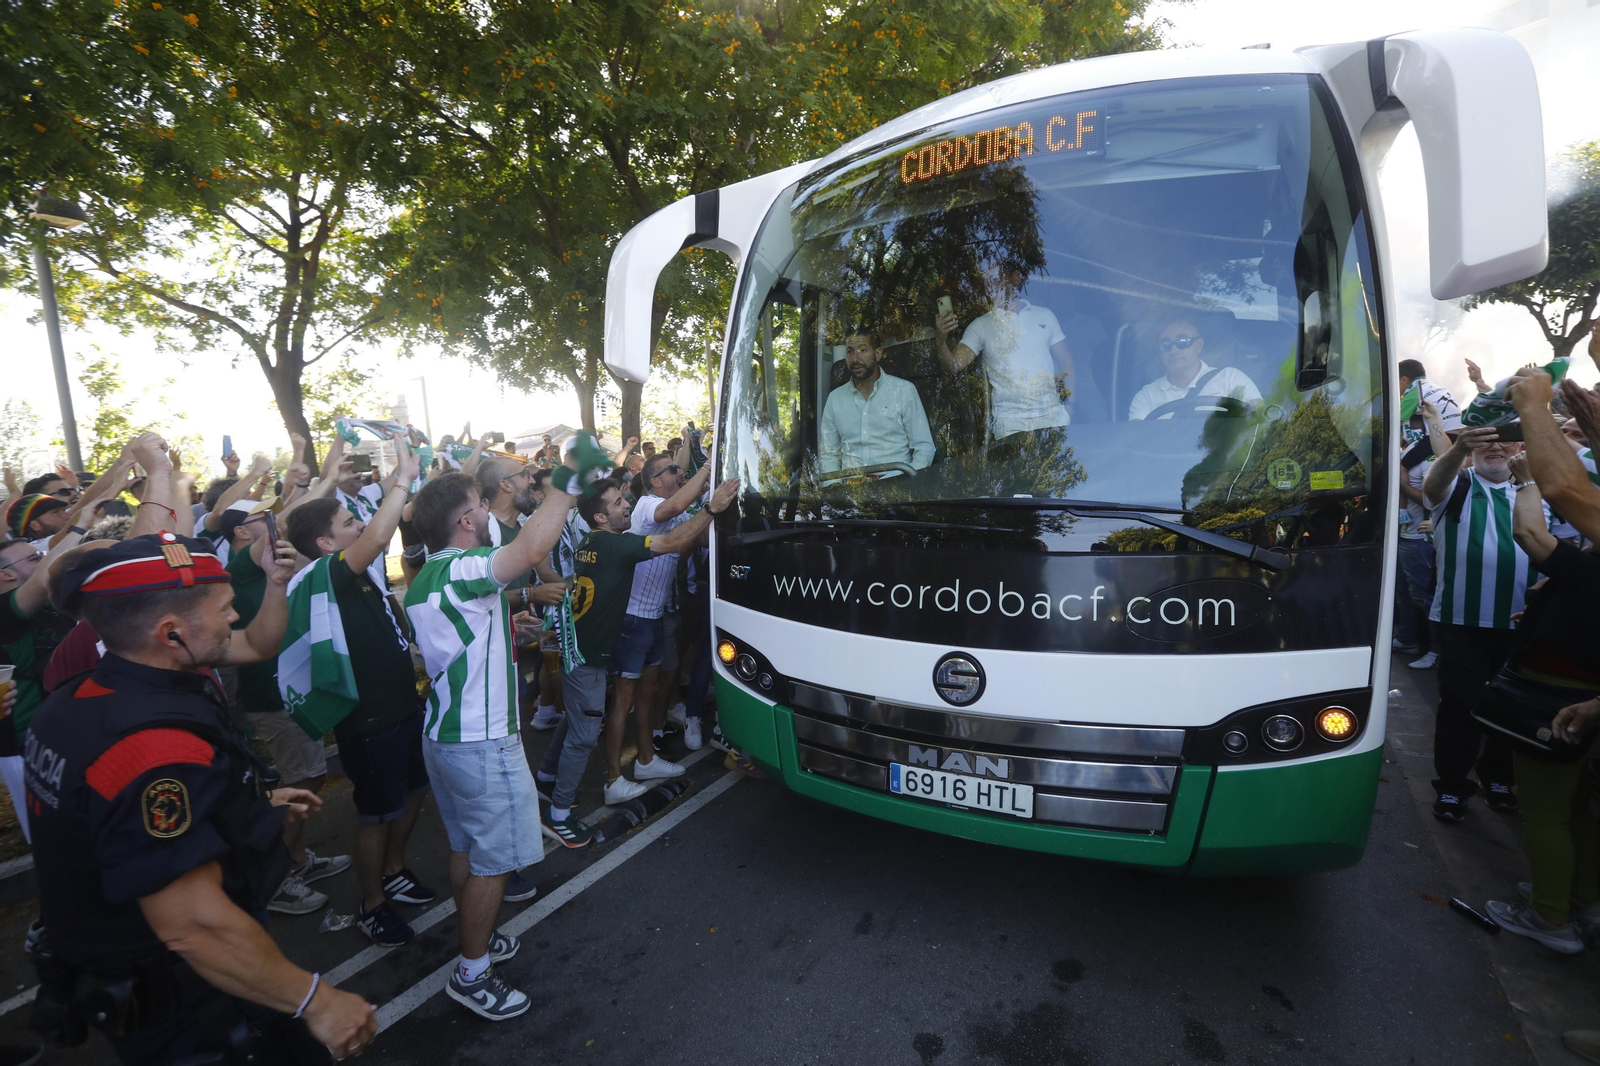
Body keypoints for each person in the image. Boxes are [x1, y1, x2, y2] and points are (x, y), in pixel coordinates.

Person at [25, 532, 378, 1064]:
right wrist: (317, 1000)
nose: (234, 620)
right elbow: (193, 924)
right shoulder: (152, 751)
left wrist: (242, 801)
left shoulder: (77, 700)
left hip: (139, 978)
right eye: (225, 610)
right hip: (189, 1001)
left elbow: (109, 824)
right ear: (171, 633)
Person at [402, 463, 581, 1021]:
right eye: (479, 506)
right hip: (481, 743)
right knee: (493, 862)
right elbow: (530, 550)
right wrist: (570, 483)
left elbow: (466, 625)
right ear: (464, 520)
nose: (486, 513)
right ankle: (471, 971)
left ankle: (477, 941)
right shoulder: (466, 566)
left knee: (466, 848)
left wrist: (511, 628)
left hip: (445, 736)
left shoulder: (430, 575)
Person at [284, 442, 439, 948]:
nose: (360, 526)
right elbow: (377, 536)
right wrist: (402, 480)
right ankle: (372, 902)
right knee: (376, 814)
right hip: (367, 721)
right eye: (347, 522)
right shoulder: (320, 575)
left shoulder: (355, 575)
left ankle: (394, 869)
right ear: (326, 544)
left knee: (415, 791)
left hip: (400, 706)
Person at [534, 475, 739, 846]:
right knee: (584, 736)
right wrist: (712, 508)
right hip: (588, 656)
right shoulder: (616, 546)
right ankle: (559, 814)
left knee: (575, 720)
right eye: (617, 503)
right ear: (600, 518)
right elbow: (674, 542)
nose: (627, 504)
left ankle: (547, 781)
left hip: (578, 648)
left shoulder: (592, 542)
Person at [224, 496, 350, 915]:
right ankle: (275, 876)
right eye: (263, 519)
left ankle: (295, 859)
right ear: (242, 532)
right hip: (269, 699)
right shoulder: (241, 566)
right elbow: (287, 527)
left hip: (286, 692)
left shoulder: (273, 565)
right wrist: (313, 484)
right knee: (305, 778)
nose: (274, 526)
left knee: (306, 776)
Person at [1419, 411, 1531, 822]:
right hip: (1461, 620)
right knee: (1460, 706)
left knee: (1511, 709)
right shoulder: (1460, 485)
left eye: (1506, 440)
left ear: (1522, 445)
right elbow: (1432, 486)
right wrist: (1458, 449)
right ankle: (1452, 786)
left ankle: (1498, 777)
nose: (1496, 447)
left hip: (1522, 625)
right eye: (1485, 440)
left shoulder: (1537, 491)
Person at [616, 451, 713, 764]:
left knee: (654, 686)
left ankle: (650, 750)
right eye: (673, 469)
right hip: (633, 617)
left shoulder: (680, 515)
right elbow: (675, 505)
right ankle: (616, 772)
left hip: (657, 615)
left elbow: (702, 541)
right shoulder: (646, 504)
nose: (680, 472)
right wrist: (709, 468)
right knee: (628, 696)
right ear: (655, 481)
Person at [933, 262, 1077, 446]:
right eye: (986, 281)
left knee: (1059, 472)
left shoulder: (1045, 315)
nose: (990, 285)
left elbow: (1067, 361)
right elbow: (952, 366)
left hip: (1054, 417)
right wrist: (940, 339)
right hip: (1010, 424)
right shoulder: (981, 326)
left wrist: (1069, 407)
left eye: (994, 278)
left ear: (1014, 277)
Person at [819, 330, 935, 474]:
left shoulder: (903, 390)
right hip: (851, 489)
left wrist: (909, 483)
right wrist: (834, 487)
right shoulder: (835, 398)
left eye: (863, 350)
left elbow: (924, 447)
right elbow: (828, 455)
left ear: (878, 354)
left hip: (896, 486)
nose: (855, 358)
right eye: (850, 351)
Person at [1127, 318, 1261, 422]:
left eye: (1182, 341)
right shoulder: (1146, 397)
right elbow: (1138, 441)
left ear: (1199, 345)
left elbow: (1260, 421)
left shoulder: (1230, 378)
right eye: (1166, 345)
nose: (1174, 350)